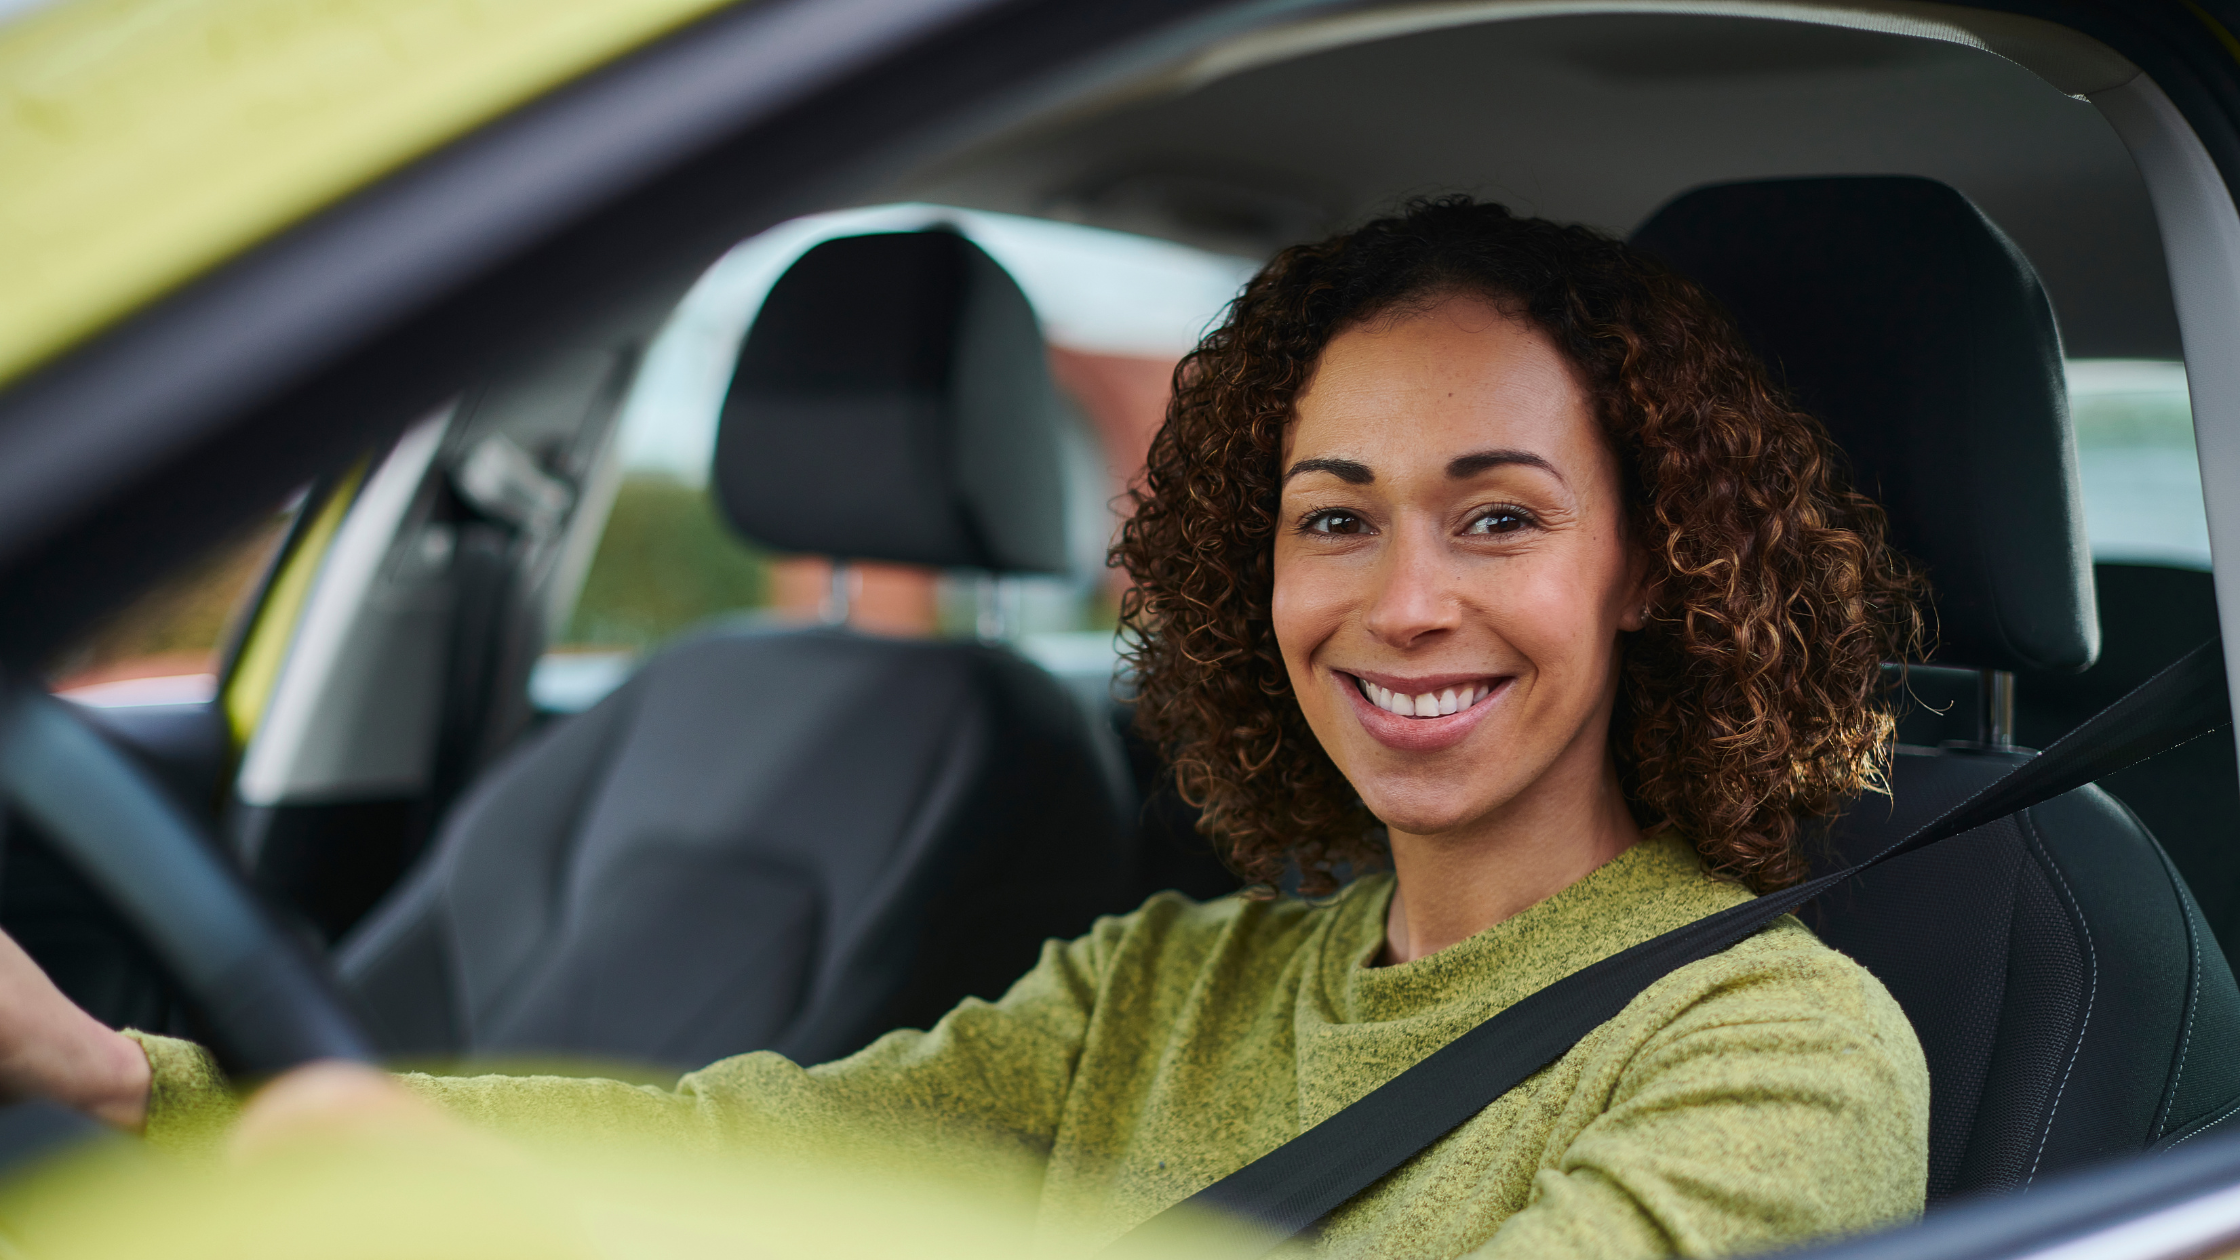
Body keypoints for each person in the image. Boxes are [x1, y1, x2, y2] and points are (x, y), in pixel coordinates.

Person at [0, 197, 1931, 1258]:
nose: (1399, 600)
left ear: (1654, 572)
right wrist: (121, 1084)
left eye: (1497, 516)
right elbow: (747, 1145)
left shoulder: (1782, 1057)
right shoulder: (1171, 986)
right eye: (1332, 518)